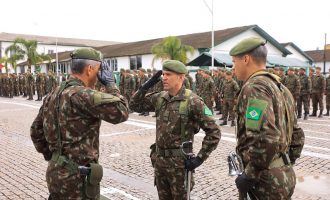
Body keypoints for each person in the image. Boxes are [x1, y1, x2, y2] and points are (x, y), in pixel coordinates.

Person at [30, 47, 129, 199]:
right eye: (98, 70)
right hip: (78, 179)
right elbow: (121, 111)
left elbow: (36, 131)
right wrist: (110, 84)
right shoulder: (83, 94)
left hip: (55, 173)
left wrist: (55, 157)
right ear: (90, 69)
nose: (99, 75)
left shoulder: (54, 93)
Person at [129, 60, 221, 200]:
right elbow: (134, 105)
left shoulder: (192, 101)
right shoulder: (160, 98)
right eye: (163, 74)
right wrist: (145, 86)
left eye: (169, 74)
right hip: (160, 163)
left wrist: (199, 159)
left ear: (181, 77)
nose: (164, 78)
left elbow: (214, 131)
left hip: (179, 166)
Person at [230, 37, 305, 200]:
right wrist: (284, 164)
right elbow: (297, 134)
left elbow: (266, 137)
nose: (232, 67)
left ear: (246, 59)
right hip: (282, 175)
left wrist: (250, 174)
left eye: (234, 61)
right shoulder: (280, 87)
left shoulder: (255, 87)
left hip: (264, 182)